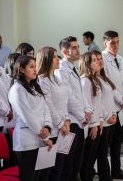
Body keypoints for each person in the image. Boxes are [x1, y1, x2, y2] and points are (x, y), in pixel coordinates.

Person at [8, 55, 53, 181]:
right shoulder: (17, 89)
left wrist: (48, 126)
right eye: (31, 67)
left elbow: (45, 108)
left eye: (35, 66)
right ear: (21, 69)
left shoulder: (34, 86)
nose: (35, 70)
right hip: (26, 141)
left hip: (40, 137)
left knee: (39, 177)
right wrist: (45, 136)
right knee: (29, 177)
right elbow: (28, 116)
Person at [54, 36, 91, 181]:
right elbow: (68, 97)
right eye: (74, 48)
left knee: (77, 162)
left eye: (78, 47)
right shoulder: (62, 69)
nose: (78, 50)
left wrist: (88, 110)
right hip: (71, 122)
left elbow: (81, 93)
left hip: (79, 120)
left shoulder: (73, 68)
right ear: (64, 51)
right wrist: (82, 116)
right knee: (68, 164)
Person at [101, 30, 123, 180]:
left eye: (117, 42)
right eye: (112, 42)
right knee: (105, 145)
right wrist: (121, 100)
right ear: (105, 43)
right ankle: (103, 173)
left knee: (117, 142)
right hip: (111, 107)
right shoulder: (101, 58)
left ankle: (116, 170)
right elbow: (108, 82)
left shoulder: (120, 58)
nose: (115, 45)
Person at [37, 46, 70, 181]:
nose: (58, 59)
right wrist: (61, 124)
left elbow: (64, 101)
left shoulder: (56, 77)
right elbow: (48, 105)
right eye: (55, 57)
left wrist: (67, 120)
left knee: (60, 167)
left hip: (63, 127)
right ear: (47, 59)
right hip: (53, 129)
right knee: (50, 170)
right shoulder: (43, 79)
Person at [78, 52, 104, 181]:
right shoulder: (85, 80)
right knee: (87, 158)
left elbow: (98, 104)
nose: (98, 62)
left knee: (92, 156)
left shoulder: (94, 79)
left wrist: (100, 121)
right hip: (90, 125)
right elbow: (87, 105)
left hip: (96, 123)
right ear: (87, 64)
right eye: (94, 60)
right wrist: (94, 125)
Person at [92, 50, 118, 181]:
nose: (99, 61)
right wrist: (108, 115)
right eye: (96, 59)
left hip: (110, 119)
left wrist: (114, 113)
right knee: (101, 152)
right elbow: (98, 102)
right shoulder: (93, 79)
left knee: (103, 151)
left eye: (100, 58)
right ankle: (105, 177)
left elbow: (110, 98)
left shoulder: (104, 77)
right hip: (103, 120)